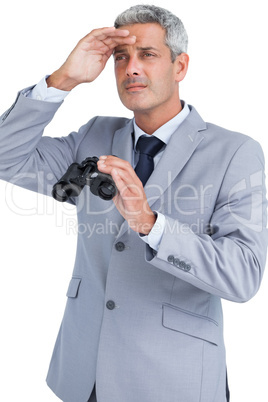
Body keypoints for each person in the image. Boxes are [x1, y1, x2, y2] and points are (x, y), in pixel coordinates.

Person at [0, 4, 267, 402]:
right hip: (84, 372)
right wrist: (62, 80)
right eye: (121, 57)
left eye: (148, 55)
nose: (131, 69)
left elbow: (243, 276)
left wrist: (150, 223)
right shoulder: (94, 134)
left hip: (171, 379)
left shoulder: (235, 152)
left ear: (180, 66)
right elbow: (7, 157)